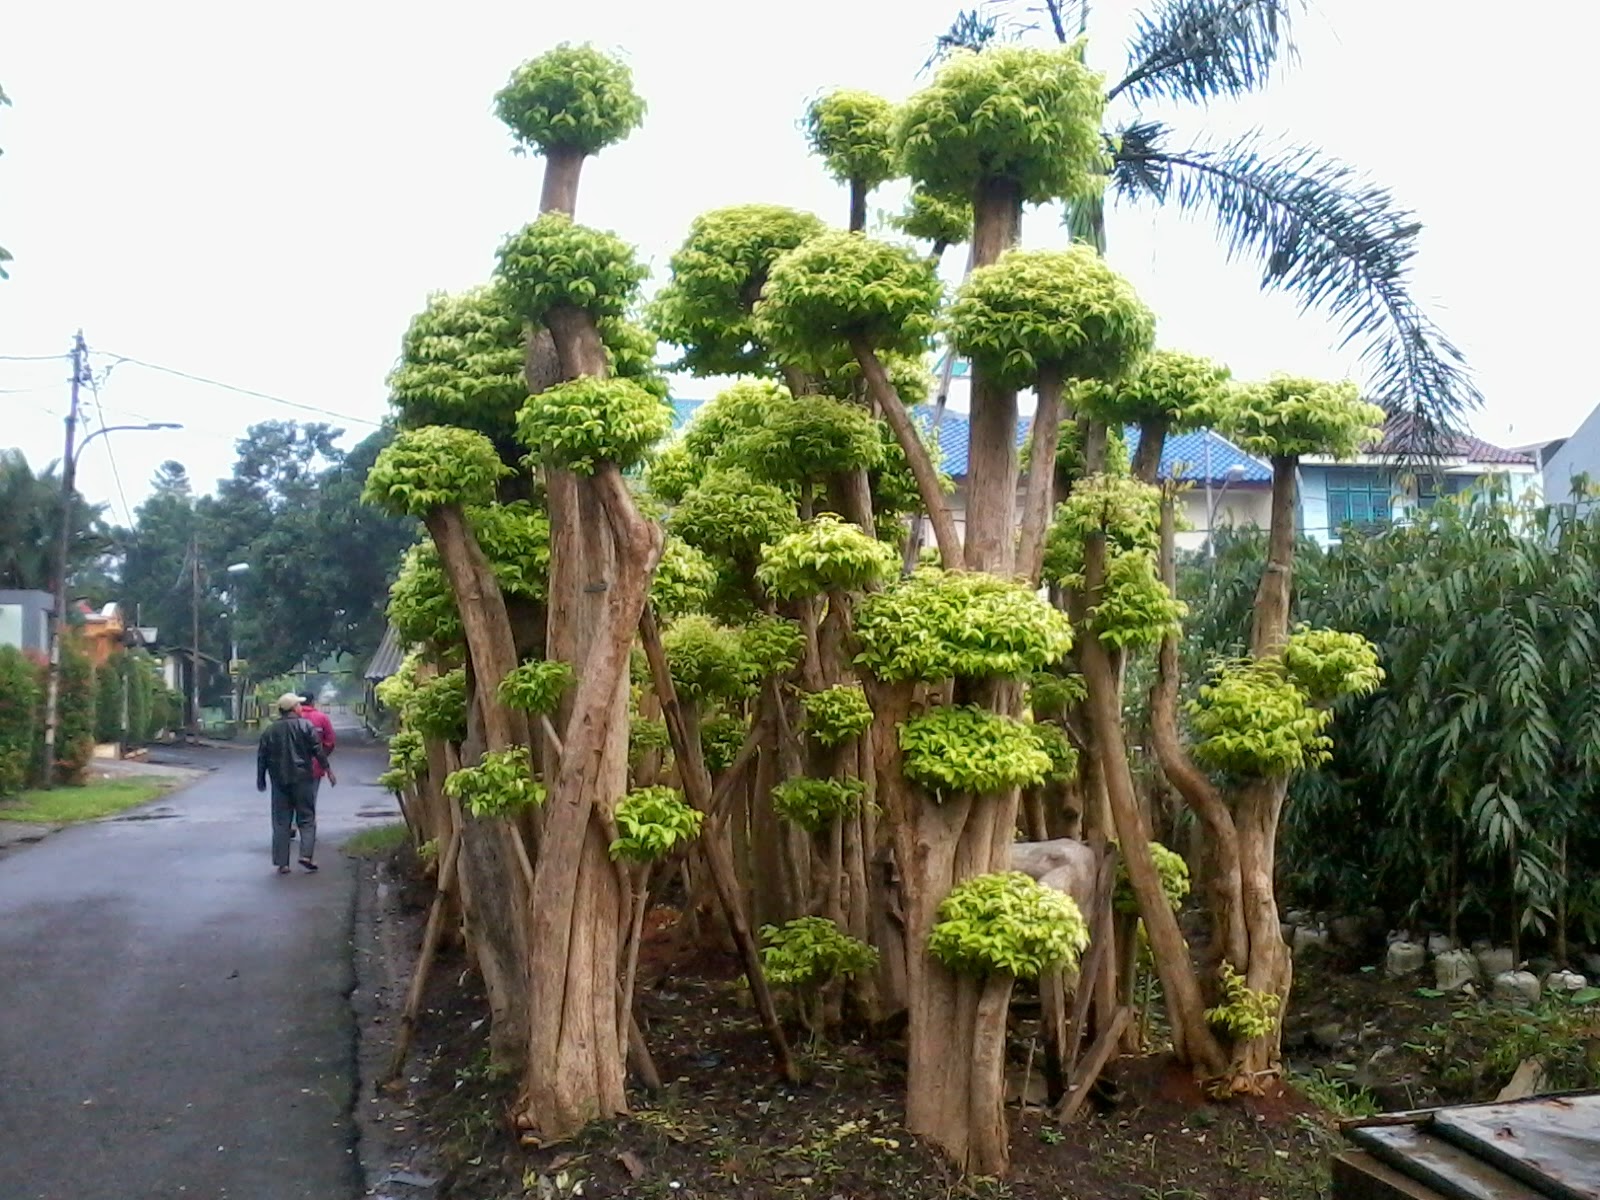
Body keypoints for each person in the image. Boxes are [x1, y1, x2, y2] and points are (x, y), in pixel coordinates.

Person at [257, 692, 333, 875]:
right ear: (292, 709)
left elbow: (262, 757)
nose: (301, 708)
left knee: (281, 821)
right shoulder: (305, 726)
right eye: (298, 706)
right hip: (303, 779)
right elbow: (317, 750)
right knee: (306, 818)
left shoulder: (270, 730)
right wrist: (327, 769)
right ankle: (306, 855)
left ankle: (282, 864)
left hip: (279, 781)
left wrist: (261, 779)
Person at [290, 692, 337, 841]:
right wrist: (322, 759)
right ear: (313, 702)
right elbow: (330, 742)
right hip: (314, 767)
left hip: (291, 766)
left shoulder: (291, 719)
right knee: (310, 798)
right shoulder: (322, 718)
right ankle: (307, 828)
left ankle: (292, 824)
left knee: (292, 797)